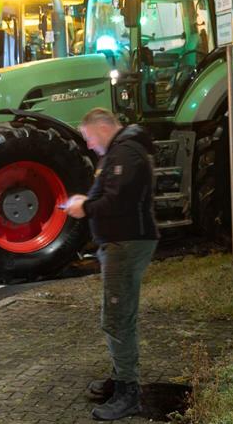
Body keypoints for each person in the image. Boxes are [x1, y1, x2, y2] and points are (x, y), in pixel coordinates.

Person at [64, 108, 159, 421]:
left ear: (103, 127)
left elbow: (118, 201)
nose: (89, 145)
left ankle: (128, 392)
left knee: (117, 317)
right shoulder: (124, 152)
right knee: (120, 315)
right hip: (121, 242)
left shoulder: (125, 154)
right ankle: (121, 379)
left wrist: (85, 206)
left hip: (125, 243)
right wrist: (85, 203)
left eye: (89, 137)